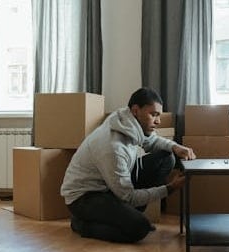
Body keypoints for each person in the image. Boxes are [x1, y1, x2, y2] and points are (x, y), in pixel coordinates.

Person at [61, 87, 196, 243]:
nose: (158, 121)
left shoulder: (127, 122)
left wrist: (176, 147)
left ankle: (130, 216)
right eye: (153, 115)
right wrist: (170, 188)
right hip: (85, 197)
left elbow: (151, 141)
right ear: (136, 110)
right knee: (139, 228)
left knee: (166, 157)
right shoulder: (113, 147)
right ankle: (81, 225)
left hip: (109, 186)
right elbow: (129, 196)